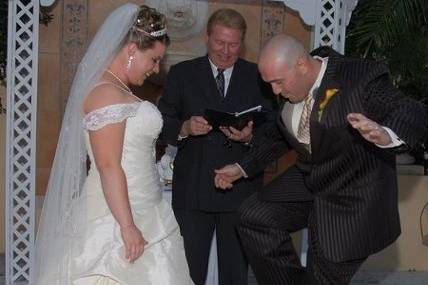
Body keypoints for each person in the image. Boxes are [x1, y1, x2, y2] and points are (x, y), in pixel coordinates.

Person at [214, 34, 427, 285]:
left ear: (302, 65)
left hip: (352, 194)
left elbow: (411, 110)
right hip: (309, 180)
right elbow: (280, 134)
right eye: (270, 83)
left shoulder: (359, 77)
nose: (275, 91)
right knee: (253, 215)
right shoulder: (288, 85)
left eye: (279, 83)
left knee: (322, 277)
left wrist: (386, 134)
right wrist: (242, 167)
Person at [31, 4, 193, 285]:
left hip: (146, 207)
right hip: (116, 214)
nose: (156, 70)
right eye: (153, 59)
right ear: (132, 49)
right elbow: (108, 165)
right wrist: (128, 227)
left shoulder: (117, 89)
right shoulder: (106, 93)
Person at [157, 8, 276, 285]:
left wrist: (249, 137)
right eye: (220, 42)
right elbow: (161, 121)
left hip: (241, 191)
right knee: (188, 273)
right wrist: (185, 127)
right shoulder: (182, 73)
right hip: (193, 190)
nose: (226, 50)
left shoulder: (259, 76)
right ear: (206, 37)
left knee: (235, 275)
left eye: (233, 44)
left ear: (242, 43)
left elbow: (274, 129)